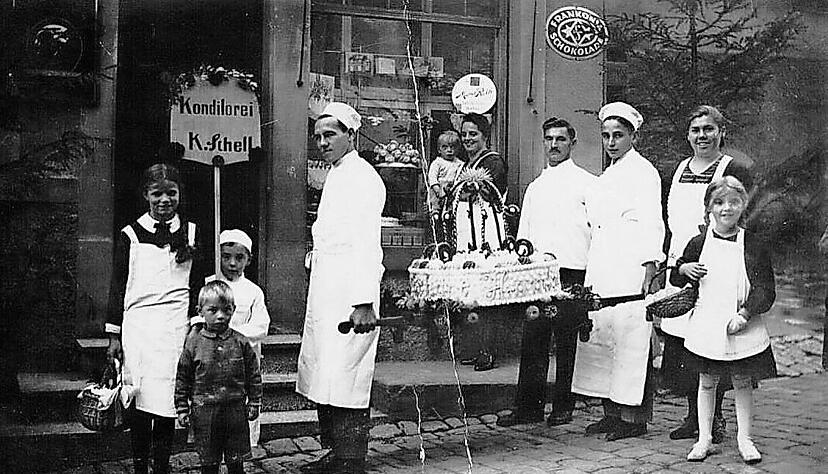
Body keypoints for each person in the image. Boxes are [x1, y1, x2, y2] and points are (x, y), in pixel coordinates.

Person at [297, 102, 386, 474]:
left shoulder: (364, 178)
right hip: (327, 291)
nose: (322, 142)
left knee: (347, 374)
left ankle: (351, 460)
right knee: (325, 372)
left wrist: (363, 301)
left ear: (351, 135)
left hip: (351, 294)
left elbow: (367, 243)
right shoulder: (336, 174)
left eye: (330, 134)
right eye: (317, 136)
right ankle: (333, 453)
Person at [571, 102, 664, 441]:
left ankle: (634, 419)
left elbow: (653, 222)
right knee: (603, 338)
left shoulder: (644, 172)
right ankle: (611, 412)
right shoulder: (606, 175)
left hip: (630, 266)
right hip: (603, 265)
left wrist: (651, 265)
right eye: (606, 136)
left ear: (633, 136)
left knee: (631, 340)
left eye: (619, 135)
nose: (611, 142)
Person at [661, 105, 754, 443]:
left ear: (720, 132)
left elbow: (745, 217)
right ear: (688, 135)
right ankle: (693, 417)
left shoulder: (734, 168)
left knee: (716, 342)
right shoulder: (677, 170)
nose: (702, 136)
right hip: (684, 264)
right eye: (696, 130)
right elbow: (669, 219)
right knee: (687, 343)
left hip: (719, 262)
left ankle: (715, 420)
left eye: (708, 129)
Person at [106, 163, 206, 474]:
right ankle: (139, 466)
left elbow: (198, 283)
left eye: (171, 193)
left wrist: (196, 326)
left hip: (175, 327)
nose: (164, 200)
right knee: (139, 399)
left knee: (166, 401)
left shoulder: (190, 232)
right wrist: (114, 336)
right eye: (157, 193)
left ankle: (162, 466)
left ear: (180, 195)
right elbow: (118, 285)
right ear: (146, 195)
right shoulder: (130, 234)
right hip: (139, 330)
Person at [498, 117, 596, 427]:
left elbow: (596, 231)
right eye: (549, 139)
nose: (554, 145)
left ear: (572, 143)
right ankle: (528, 408)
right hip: (538, 272)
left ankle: (564, 406)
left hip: (571, 271)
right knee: (534, 340)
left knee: (566, 342)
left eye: (561, 139)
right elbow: (525, 232)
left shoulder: (587, 183)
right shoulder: (535, 187)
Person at [671, 177, 776, 464]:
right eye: (718, 203)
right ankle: (704, 438)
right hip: (707, 322)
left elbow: (765, 288)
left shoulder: (752, 243)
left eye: (733, 202)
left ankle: (745, 438)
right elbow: (675, 275)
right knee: (707, 382)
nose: (726, 208)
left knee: (742, 381)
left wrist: (745, 314)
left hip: (742, 323)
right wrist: (684, 267)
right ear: (709, 208)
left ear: (743, 206)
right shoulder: (698, 242)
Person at [175, 280, 263, 474]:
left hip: (234, 412)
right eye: (213, 310)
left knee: (235, 462)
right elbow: (183, 377)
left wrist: (254, 401)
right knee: (209, 463)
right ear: (200, 311)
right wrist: (182, 408)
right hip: (205, 413)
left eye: (227, 310)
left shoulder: (241, 342)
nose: (221, 316)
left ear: (234, 310)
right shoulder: (194, 343)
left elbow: (253, 374)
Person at [200, 229, 270, 447]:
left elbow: (261, 324)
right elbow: (197, 317)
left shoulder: (253, 291)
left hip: (242, 356)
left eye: (239, 258)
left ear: (248, 259)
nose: (232, 263)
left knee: (241, 400)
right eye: (226, 256)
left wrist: (235, 337)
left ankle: (241, 449)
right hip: (212, 355)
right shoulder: (209, 285)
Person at [456, 112, 509, 372]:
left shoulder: (493, 161)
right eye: (464, 134)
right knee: (470, 290)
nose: (467, 138)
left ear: (484, 136)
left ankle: (488, 351)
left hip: (487, 230)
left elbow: (488, 193)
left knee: (486, 291)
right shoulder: (468, 163)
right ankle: (475, 348)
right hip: (469, 231)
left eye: (473, 134)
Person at [427, 130, 464, 217]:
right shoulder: (438, 162)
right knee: (433, 195)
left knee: (453, 200)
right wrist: (437, 189)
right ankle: (435, 210)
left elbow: (460, 176)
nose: (449, 150)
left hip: (451, 188)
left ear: (457, 149)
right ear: (439, 150)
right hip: (439, 187)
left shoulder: (460, 164)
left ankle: (449, 211)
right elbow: (432, 177)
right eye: (445, 147)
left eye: (452, 147)